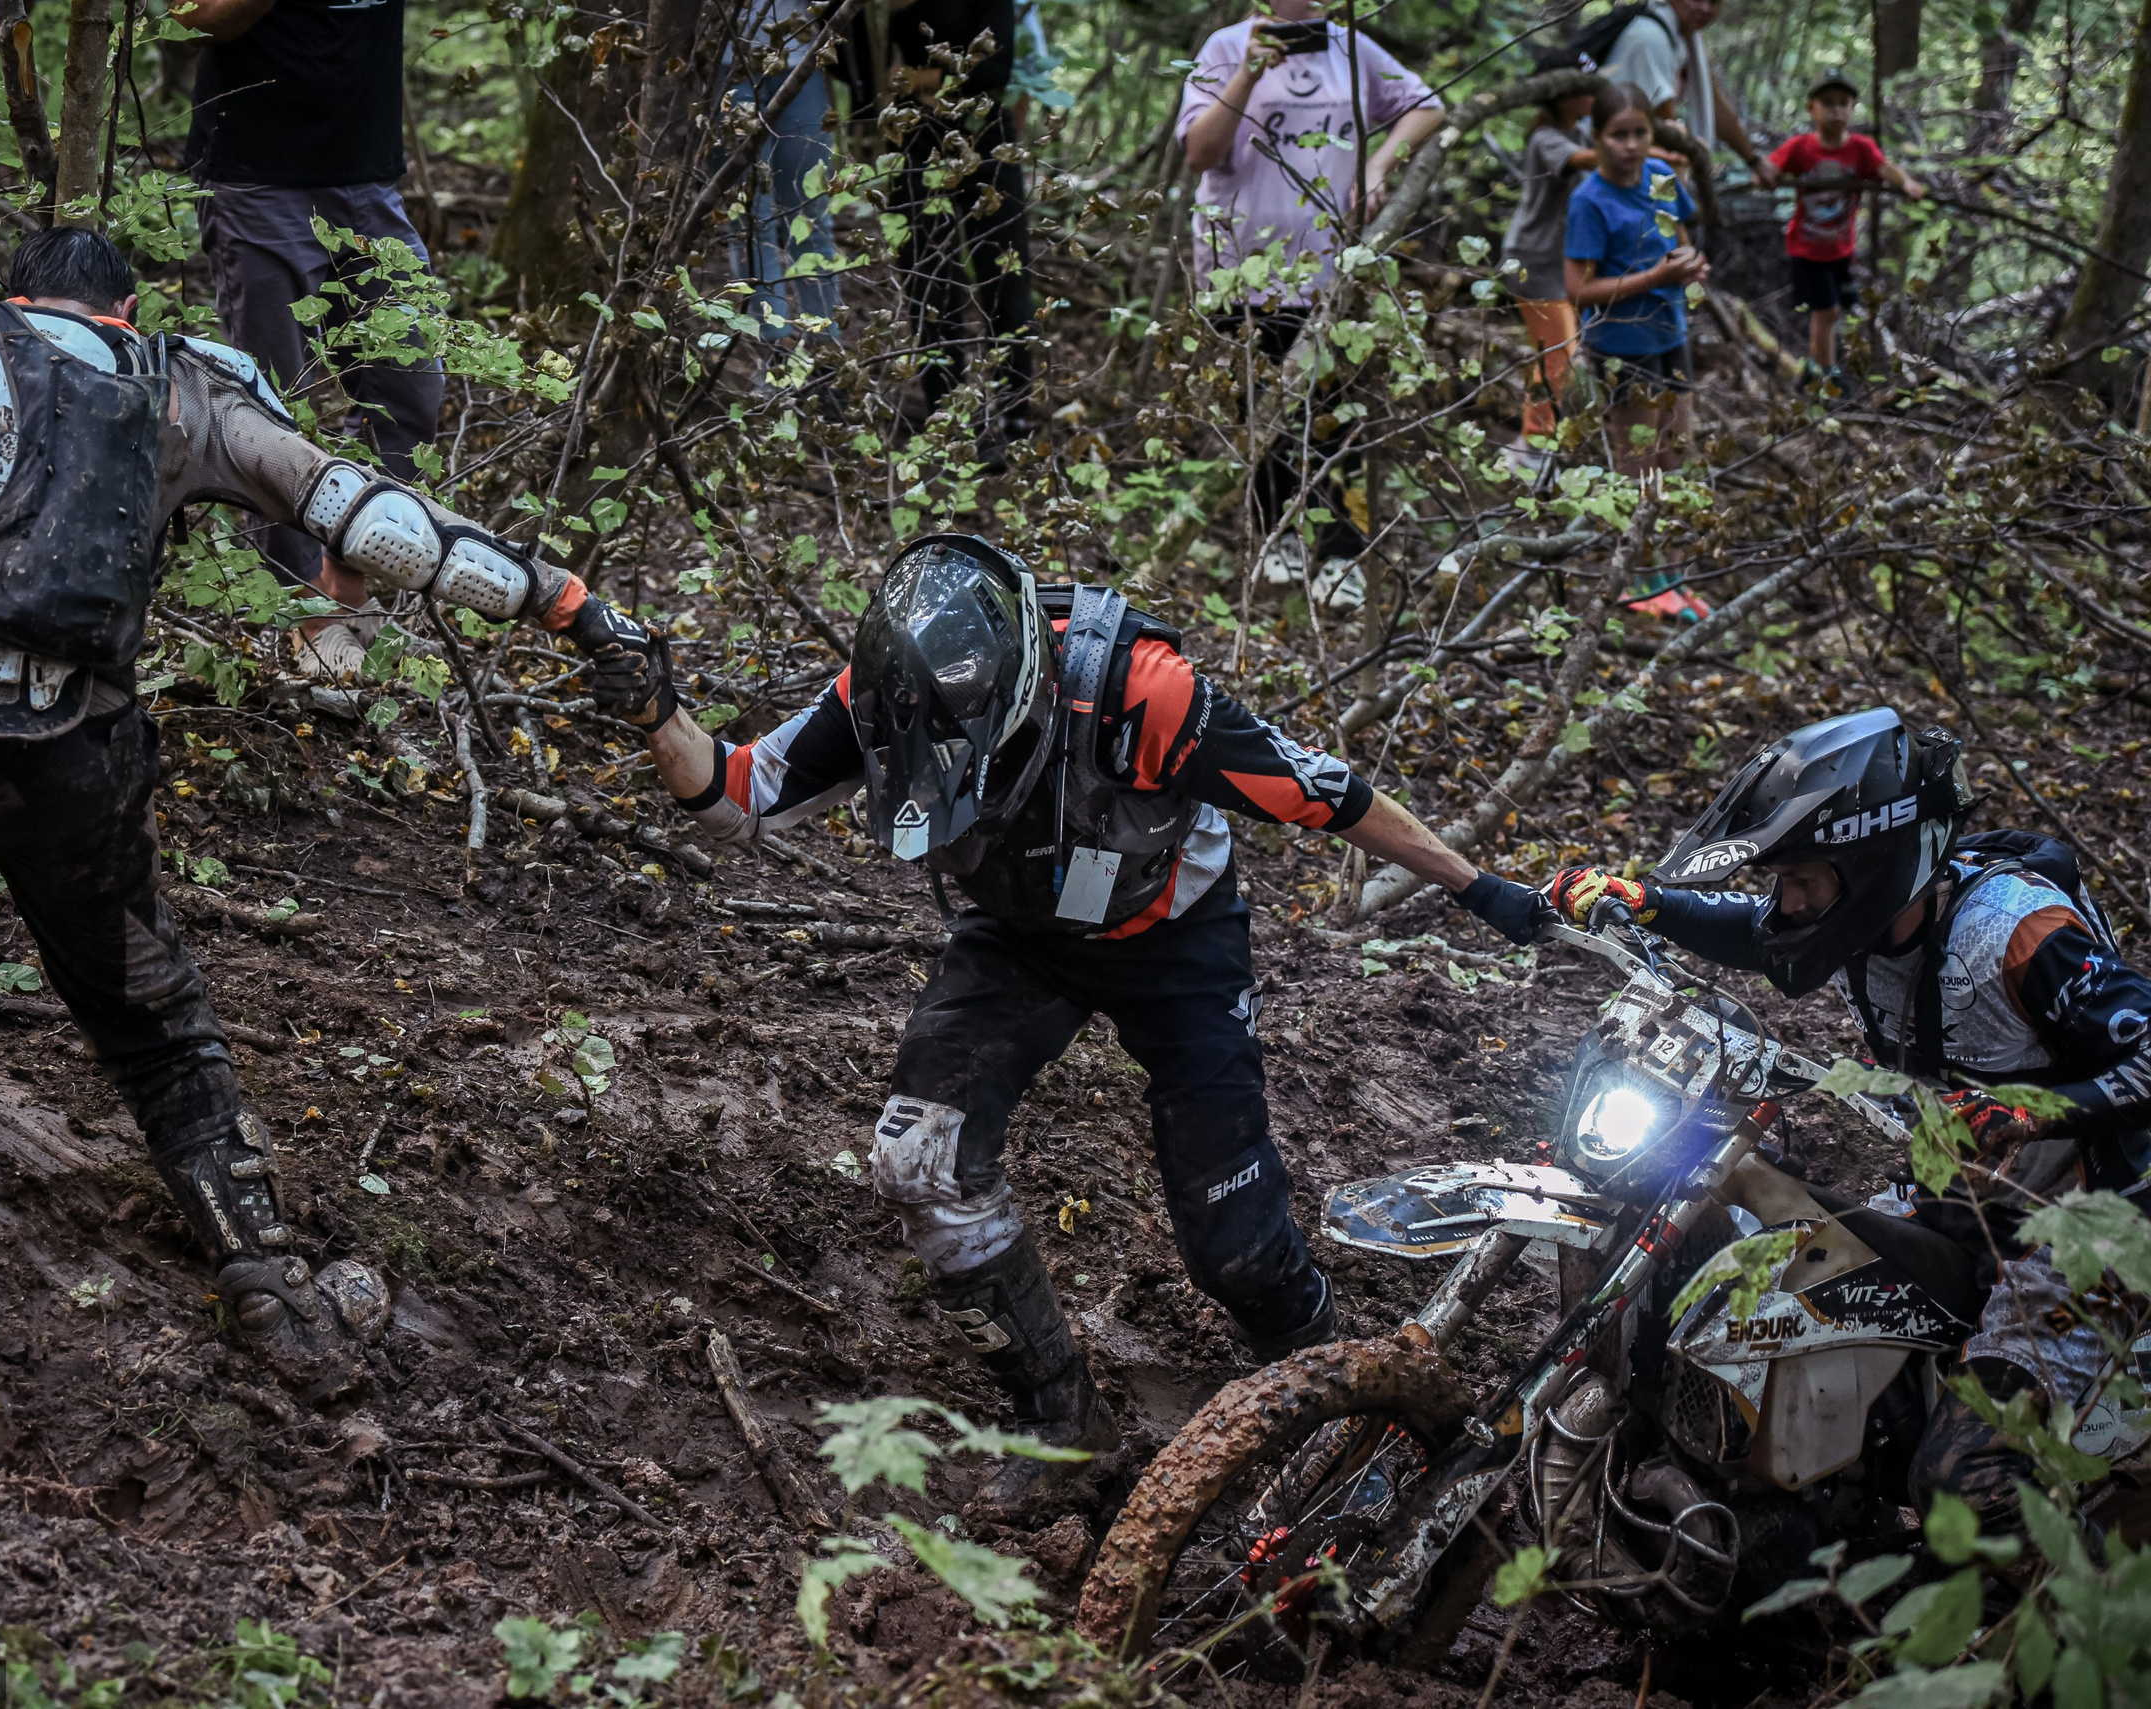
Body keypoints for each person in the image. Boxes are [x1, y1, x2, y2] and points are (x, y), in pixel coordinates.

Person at [0, 229, 624, 1371]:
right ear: (126, 309)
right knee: (153, 1021)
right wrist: (563, 602)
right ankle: (269, 1282)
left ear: (16, 289)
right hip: (71, 771)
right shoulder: (191, 383)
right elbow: (368, 517)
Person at [583, 536, 1552, 1515]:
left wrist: (1489, 892)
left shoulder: (1148, 694)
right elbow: (739, 791)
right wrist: (660, 714)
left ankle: (1347, 1416)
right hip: (1019, 934)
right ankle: (1058, 1420)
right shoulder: (885, 691)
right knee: (918, 1158)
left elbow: (1330, 794)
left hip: (1174, 931)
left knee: (1236, 1251)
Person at [1540, 708, 2151, 1532]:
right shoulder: (1871, 920)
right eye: (1783, 880)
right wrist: (1652, 903)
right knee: (1785, 1291)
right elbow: (1756, 935)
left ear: (1873, 863)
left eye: (1803, 882)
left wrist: (2038, 1113)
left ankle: (2074, 1630)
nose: (1787, 904)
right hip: (1961, 1199)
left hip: (2091, 1235)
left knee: (1960, 1483)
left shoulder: (2015, 929)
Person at [182, 0, 443, 680]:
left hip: (365, 177)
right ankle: (294, 609)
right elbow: (196, 15)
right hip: (256, 175)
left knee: (411, 382)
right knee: (267, 403)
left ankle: (346, 570)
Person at [1177, 0, 1441, 586]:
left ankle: (1344, 554)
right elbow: (1200, 152)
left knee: (1336, 417)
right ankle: (1276, 537)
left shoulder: (1351, 50)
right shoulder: (1224, 48)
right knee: (1262, 414)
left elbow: (1428, 105)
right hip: (1239, 271)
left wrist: (1376, 168)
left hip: (1329, 273)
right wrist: (1248, 70)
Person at [870, 0, 1036, 461]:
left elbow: (994, 72)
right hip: (914, 137)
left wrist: (920, 79)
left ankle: (1013, 415)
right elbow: (863, 71)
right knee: (927, 281)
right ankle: (947, 413)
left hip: (984, 134)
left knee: (1004, 275)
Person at [1564, 81, 1707, 475]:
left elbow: (1680, 238)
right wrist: (1654, 276)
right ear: (1596, 137)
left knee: (1677, 447)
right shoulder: (1589, 201)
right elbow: (1578, 291)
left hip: (1670, 330)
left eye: (1640, 133)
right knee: (1638, 458)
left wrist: (1692, 265)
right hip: (1622, 343)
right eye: (1618, 134)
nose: (1630, 145)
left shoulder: (1660, 175)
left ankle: (1677, 533)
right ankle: (1632, 534)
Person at [1766, 71, 1926, 395]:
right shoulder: (1801, 148)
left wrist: (1906, 183)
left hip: (1841, 249)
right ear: (1813, 108)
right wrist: (1763, 174)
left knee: (1835, 310)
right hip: (1806, 248)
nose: (1836, 110)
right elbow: (1772, 167)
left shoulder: (1861, 150)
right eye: (1828, 103)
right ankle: (1826, 376)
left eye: (1843, 103)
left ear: (1853, 108)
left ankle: (1813, 369)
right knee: (1825, 311)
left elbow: (1884, 168)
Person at [730, 0, 843, 347]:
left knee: (810, 213)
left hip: (801, 58)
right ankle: (773, 352)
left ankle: (826, 350)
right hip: (726, 66)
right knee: (751, 220)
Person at [1501, 88, 1597, 452]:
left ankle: (1543, 436)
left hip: (1560, 262)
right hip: (1533, 260)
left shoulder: (1580, 129)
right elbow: (1586, 159)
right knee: (1559, 356)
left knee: (1559, 355)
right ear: (1561, 95)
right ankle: (1534, 443)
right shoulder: (1546, 138)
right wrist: (1648, 149)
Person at [1596, 0, 1771, 181]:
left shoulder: (1685, 39)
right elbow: (1665, 123)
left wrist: (1754, 161)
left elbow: (1712, 103)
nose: (1705, 9)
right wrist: (1690, 151)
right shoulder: (1651, 39)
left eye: (1713, 2)